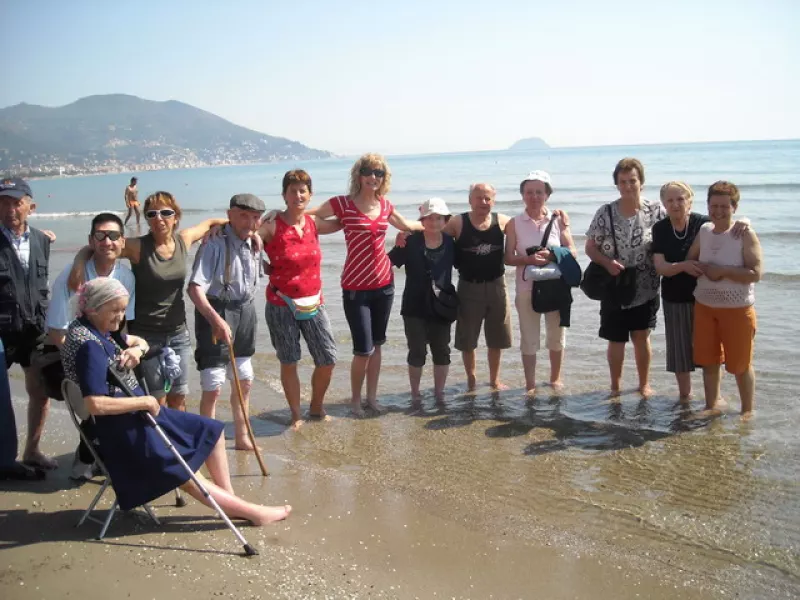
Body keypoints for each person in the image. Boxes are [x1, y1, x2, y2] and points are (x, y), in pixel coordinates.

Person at [61, 277, 290, 524]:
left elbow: (138, 341)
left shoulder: (93, 328)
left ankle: (231, 504)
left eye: (124, 309)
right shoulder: (89, 346)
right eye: (115, 310)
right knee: (184, 473)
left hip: (139, 415)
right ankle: (250, 512)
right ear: (94, 307)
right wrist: (146, 402)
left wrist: (137, 351)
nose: (120, 317)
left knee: (212, 430)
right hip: (122, 429)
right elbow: (95, 404)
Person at [69, 192, 228, 411]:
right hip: (146, 335)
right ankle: (158, 443)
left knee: (179, 397)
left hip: (178, 333)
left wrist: (232, 230)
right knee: (157, 400)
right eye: (152, 214)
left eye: (166, 212)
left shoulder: (184, 240)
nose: (159, 218)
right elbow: (101, 246)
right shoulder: (138, 247)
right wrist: (78, 264)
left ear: (176, 216)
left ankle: (178, 441)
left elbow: (214, 221)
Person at [302, 153, 423, 416]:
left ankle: (372, 399)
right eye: (368, 171)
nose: (373, 177)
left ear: (384, 178)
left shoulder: (386, 206)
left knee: (377, 345)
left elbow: (408, 224)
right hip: (356, 287)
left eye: (379, 173)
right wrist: (279, 216)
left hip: (384, 285)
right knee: (363, 350)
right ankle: (355, 401)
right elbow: (309, 217)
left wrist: (440, 222)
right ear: (359, 174)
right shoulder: (342, 204)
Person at [47, 212, 136, 479]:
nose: (106, 241)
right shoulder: (73, 275)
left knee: (129, 387)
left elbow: (122, 327)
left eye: (113, 236)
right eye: (100, 235)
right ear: (91, 240)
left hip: (107, 351)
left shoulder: (126, 277)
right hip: (73, 354)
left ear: (122, 242)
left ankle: (110, 455)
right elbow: (55, 330)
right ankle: (86, 459)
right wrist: (87, 362)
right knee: (99, 402)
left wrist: (131, 350)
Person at [652, 182, 749, 400]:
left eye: (680, 199)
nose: (676, 204)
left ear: (690, 201)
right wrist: (683, 266)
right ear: (664, 204)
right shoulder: (660, 229)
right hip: (675, 297)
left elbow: (729, 225)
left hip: (707, 298)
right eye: (670, 200)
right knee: (680, 352)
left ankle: (714, 399)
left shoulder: (703, 223)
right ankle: (685, 397)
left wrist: (745, 221)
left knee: (711, 353)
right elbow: (660, 267)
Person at [259, 170, 340, 430]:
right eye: (292, 190)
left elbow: (346, 218)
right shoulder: (272, 225)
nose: (297, 195)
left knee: (327, 358)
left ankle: (316, 407)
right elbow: (244, 238)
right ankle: (295, 415)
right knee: (289, 359)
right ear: (284, 195)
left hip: (314, 302)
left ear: (310, 194)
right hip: (282, 303)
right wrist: (262, 264)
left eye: (302, 190)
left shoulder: (314, 224)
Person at [585, 158, 666, 397]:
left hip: (646, 285)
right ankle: (615, 386)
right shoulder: (606, 211)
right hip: (615, 283)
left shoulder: (656, 210)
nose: (628, 186)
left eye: (633, 180)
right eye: (623, 182)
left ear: (641, 182)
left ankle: (644, 384)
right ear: (616, 184)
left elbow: (676, 230)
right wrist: (606, 263)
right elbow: (590, 247)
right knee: (616, 339)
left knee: (642, 336)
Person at [189, 194, 264, 449]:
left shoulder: (255, 242)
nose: (249, 222)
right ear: (229, 214)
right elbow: (194, 289)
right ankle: (207, 443)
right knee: (213, 386)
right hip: (216, 310)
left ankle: (242, 437)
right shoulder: (213, 243)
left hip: (246, 312)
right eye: (243, 215)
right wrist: (215, 320)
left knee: (245, 380)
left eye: (255, 217)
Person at [687, 181, 762, 417]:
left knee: (741, 365)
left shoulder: (744, 233)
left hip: (737, 309)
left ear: (734, 207)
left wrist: (723, 272)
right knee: (708, 362)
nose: (718, 211)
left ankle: (746, 412)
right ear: (708, 206)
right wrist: (701, 267)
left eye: (724, 206)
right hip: (705, 307)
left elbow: (756, 273)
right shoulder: (705, 231)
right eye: (713, 205)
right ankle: (711, 407)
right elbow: (692, 259)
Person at [0, 177, 57, 471]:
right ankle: (4, 460)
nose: (10, 209)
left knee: (40, 391)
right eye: (4, 202)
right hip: (2, 331)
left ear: (30, 207)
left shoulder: (41, 240)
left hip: (34, 328)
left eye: (16, 202)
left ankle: (32, 451)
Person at [504, 171, 577, 393]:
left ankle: (555, 379)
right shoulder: (514, 223)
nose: (534, 196)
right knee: (529, 338)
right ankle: (530, 385)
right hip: (527, 288)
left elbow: (572, 251)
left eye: (539, 192)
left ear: (547, 194)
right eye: (529, 192)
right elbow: (508, 258)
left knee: (557, 336)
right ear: (522, 195)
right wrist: (527, 259)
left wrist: (553, 255)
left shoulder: (558, 220)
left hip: (556, 286)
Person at [388, 197, 456, 407]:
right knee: (417, 351)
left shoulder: (451, 243)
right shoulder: (410, 241)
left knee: (442, 350)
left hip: (441, 305)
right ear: (422, 220)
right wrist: (398, 238)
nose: (434, 223)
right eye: (430, 218)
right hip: (414, 305)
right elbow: (387, 262)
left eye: (439, 218)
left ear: (445, 221)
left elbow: (470, 263)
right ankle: (416, 394)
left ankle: (439, 392)